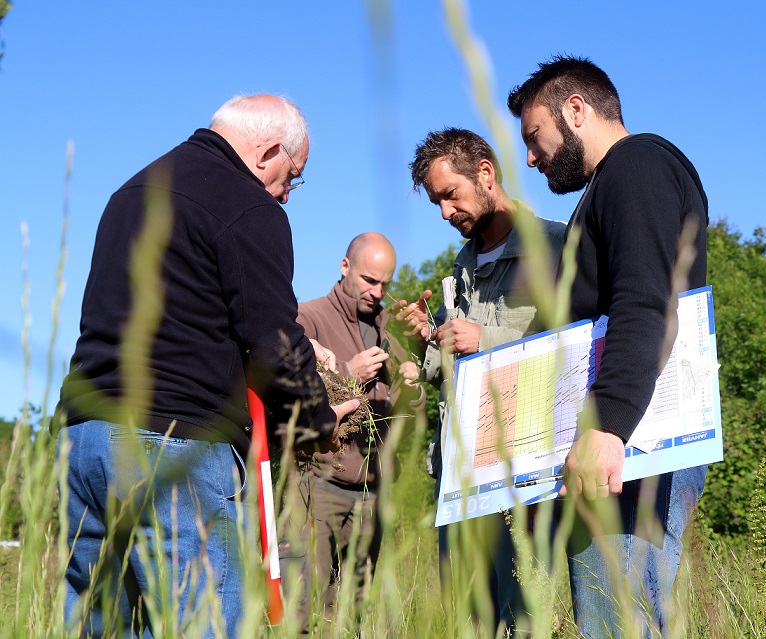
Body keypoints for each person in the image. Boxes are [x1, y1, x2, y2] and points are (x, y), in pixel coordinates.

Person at [55, 94, 358, 638]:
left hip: (84, 442)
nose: (288, 194)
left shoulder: (132, 191)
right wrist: (316, 420)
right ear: (267, 152)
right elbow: (273, 339)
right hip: (173, 449)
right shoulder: (246, 204)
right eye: (294, 176)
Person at [507, 56, 710, 638]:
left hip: (631, 441)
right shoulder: (616, 180)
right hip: (625, 438)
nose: (531, 156)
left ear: (576, 110)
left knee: (621, 621)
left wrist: (607, 426)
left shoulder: (636, 167)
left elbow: (645, 299)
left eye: (534, 136)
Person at [399, 127, 566, 634]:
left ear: (486, 174)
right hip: (459, 478)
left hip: (526, 480)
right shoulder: (463, 266)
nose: (445, 213)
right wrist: (428, 340)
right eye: (436, 203)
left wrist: (484, 339)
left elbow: (579, 353)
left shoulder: (557, 246)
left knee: (525, 621)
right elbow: (454, 372)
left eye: (450, 195)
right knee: (465, 622)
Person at [280, 232, 423, 626]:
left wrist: (412, 390)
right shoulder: (306, 317)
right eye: (369, 280)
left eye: (385, 284)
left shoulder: (389, 334)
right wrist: (347, 373)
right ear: (345, 267)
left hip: (372, 496)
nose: (377, 292)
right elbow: (286, 385)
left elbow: (406, 423)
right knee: (307, 612)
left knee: (363, 616)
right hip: (317, 488)